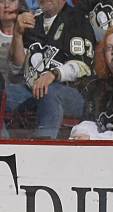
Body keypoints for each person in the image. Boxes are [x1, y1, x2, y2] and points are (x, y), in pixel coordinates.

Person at [7, 0, 97, 139]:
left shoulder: (77, 20)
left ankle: (43, 148)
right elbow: (18, 66)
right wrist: (18, 34)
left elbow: (83, 66)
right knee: (5, 94)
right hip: (30, 91)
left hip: (71, 94)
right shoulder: (33, 20)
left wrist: (54, 74)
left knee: (49, 93)